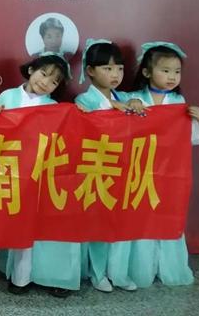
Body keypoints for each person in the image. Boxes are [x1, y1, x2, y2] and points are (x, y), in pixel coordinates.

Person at [113, 42, 199, 288]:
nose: (172, 77)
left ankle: (167, 268)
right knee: (136, 217)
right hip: (137, 170)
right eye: (165, 70)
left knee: (165, 215)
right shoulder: (133, 98)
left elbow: (188, 137)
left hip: (167, 172)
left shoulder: (178, 101)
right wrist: (129, 107)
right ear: (146, 72)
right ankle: (137, 270)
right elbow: (115, 128)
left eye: (177, 71)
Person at [0, 52, 79, 298]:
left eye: (54, 81)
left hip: (45, 174)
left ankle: (57, 277)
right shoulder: (8, 96)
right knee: (23, 226)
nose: (45, 82)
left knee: (49, 228)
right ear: (31, 70)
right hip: (16, 173)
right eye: (43, 73)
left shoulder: (55, 109)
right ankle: (21, 277)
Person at [74, 39, 140, 293]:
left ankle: (119, 272)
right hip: (97, 169)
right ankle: (97, 272)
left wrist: (135, 105)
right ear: (90, 71)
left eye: (120, 69)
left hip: (124, 168)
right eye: (108, 68)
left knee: (121, 222)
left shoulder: (126, 98)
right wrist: (110, 110)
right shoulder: (84, 99)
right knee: (98, 222)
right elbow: (83, 128)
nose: (115, 75)